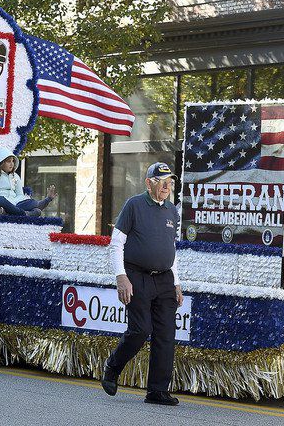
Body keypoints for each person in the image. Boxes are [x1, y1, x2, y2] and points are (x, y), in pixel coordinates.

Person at [101, 162, 184, 406]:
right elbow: (116, 244)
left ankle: (157, 391)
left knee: (166, 334)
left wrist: (177, 282)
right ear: (149, 183)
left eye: (170, 181)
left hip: (165, 278)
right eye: (162, 181)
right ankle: (113, 366)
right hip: (137, 276)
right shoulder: (134, 205)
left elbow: (172, 248)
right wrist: (120, 276)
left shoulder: (171, 211)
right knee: (140, 330)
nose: (167, 186)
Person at [0, 148, 57, 216]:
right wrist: (9, 202)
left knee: (32, 203)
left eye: (13, 161)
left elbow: (20, 195)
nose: (12, 164)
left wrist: (13, 202)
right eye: (9, 161)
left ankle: (6, 211)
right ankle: (23, 213)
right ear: (1, 163)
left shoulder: (16, 176)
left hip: (13, 204)